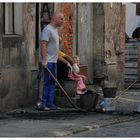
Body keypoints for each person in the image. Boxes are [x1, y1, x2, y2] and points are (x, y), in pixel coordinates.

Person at [37, 12, 64, 111]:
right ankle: (41, 103)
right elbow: (43, 45)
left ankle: (50, 103)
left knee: (52, 82)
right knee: (44, 82)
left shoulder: (55, 30)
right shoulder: (47, 30)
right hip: (47, 61)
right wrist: (44, 60)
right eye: (61, 19)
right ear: (55, 19)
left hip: (54, 61)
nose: (63, 21)